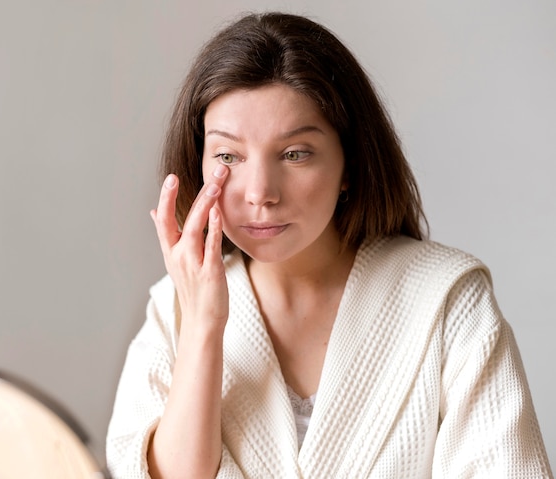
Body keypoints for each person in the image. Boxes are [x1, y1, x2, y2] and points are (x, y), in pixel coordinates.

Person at [106, 12, 552, 479]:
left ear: (349, 165)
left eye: (295, 154)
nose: (260, 192)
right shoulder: (172, 312)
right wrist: (203, 326)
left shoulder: (447, 300)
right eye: (227, 156)